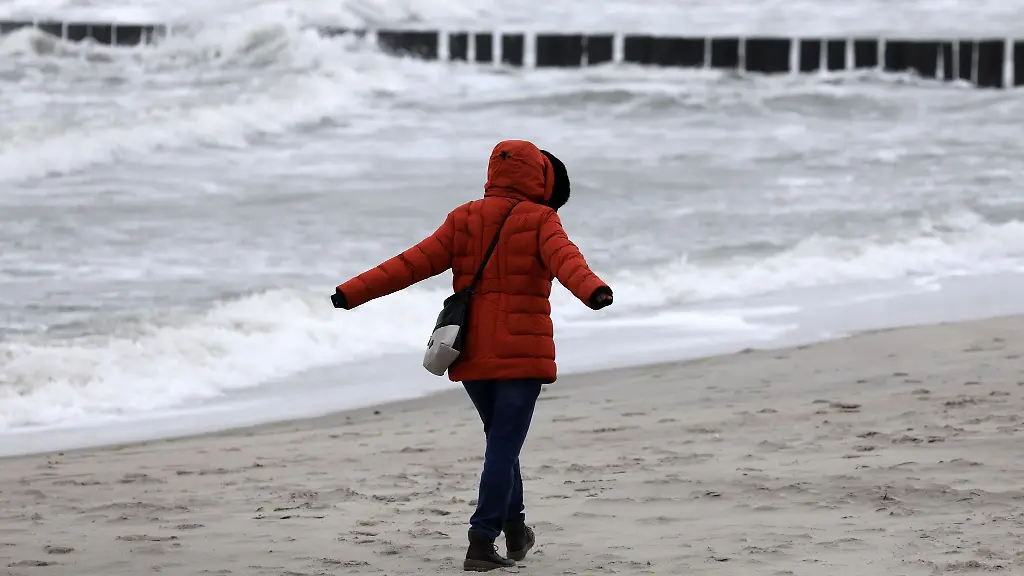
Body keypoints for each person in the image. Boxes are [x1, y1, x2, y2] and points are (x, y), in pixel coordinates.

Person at [331, 139, 613, 571]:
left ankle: (515, 530)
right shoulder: (541, 220)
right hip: (521, 353)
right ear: (538, 177)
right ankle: (481, 540)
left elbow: (409, 263)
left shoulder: (463, 218)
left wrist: (351, 293)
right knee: (503, 445)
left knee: (502, 442)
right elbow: (566, 260)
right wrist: (593, 291)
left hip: (472, 351)